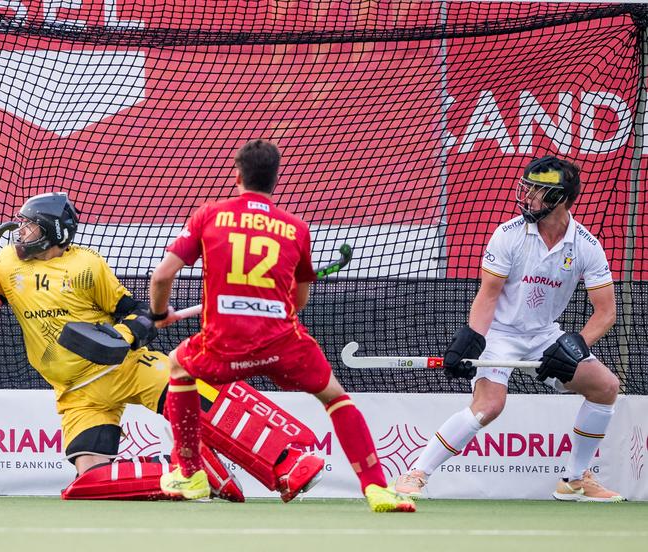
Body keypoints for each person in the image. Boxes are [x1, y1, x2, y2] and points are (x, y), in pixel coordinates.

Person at [0, 191, 318, 502]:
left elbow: (135, 312)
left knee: (198, 397)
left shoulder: (87, 266)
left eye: (29, 225)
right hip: (76, 394)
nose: (20, 232)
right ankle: (188, 470)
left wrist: (129, 332)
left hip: (126, 368)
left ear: (53, 232)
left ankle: (288, 461)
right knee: (86, 483)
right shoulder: (7, 264)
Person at [149, 139, 416, 512]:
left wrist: (162, 315)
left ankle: (190, 473)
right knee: (336, 397)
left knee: (177, 366)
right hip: (282, 343)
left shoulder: (209, 215)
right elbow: (299, 301)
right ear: (276, 179)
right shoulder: (295, 228)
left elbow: (162, 277)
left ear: (237, 175)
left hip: (223, 343)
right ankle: (376, 488)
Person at [394, 156, 624, 502]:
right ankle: (415, 474)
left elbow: (606, 313)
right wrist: (472, 340)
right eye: (527, 187)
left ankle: (575, 479)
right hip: (500, 333)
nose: (527, 196)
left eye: (537, 191)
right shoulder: (508, 234)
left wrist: (575, 345)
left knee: (606, 388)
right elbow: (488, 296)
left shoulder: (587, 246)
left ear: (559, 199)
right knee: (490, 405)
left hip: (545, 336)